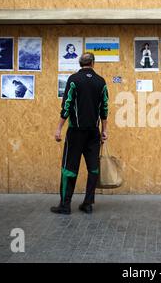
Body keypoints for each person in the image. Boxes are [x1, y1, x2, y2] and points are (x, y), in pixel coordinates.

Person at [51, 52, 108, 215]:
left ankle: (65, 205)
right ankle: (88, 204)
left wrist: (59, 128)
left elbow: (67, 105)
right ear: (93, 63)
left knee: (69, 168)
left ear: (80, 63)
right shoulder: (101, 82)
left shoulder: (74, 80)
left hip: (75, 132)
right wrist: (104, 130)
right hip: (93, 133)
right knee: (93, 169)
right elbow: (104, 108)